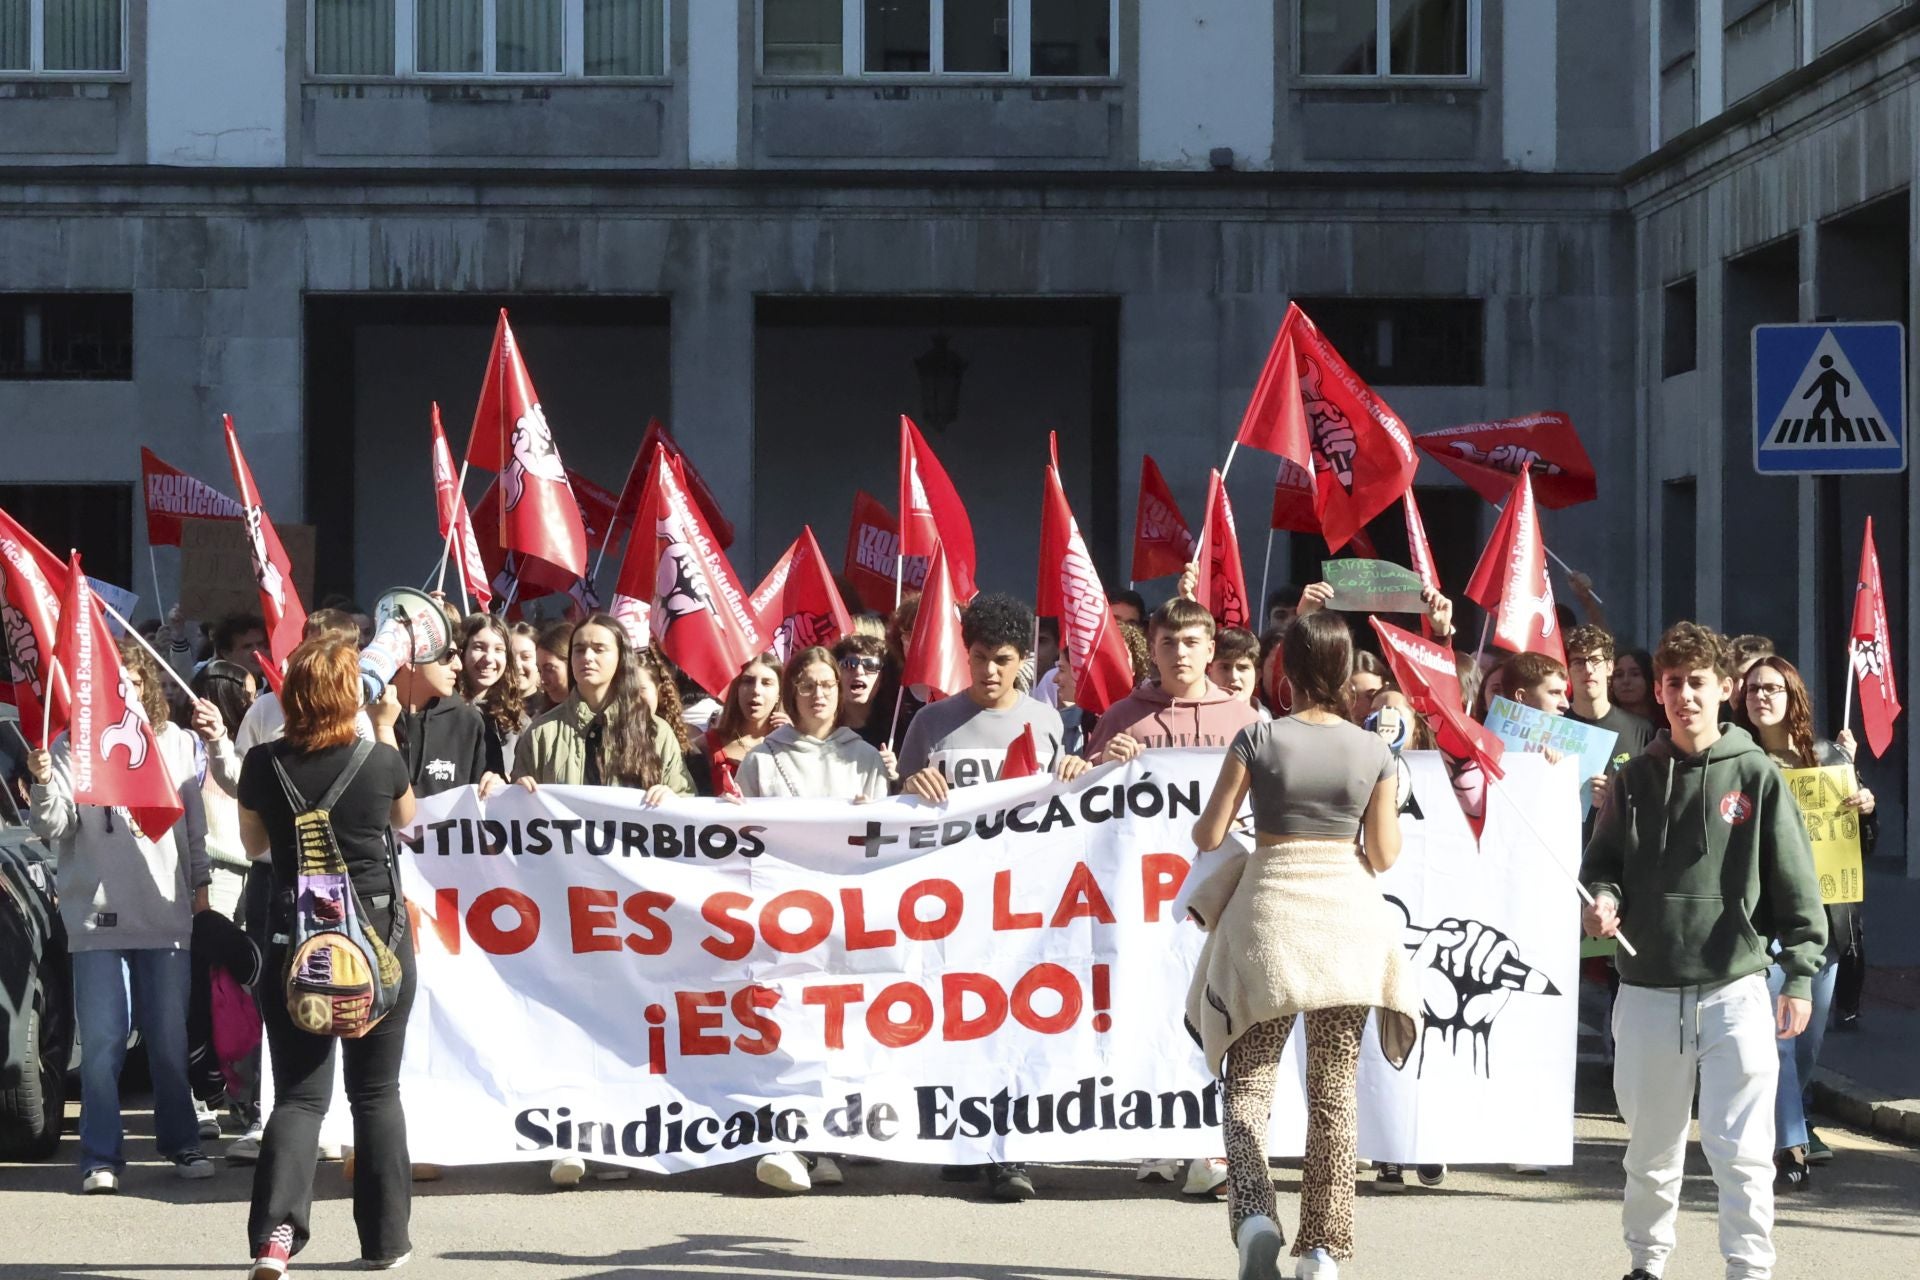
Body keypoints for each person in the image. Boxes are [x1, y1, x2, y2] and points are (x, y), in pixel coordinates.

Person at [1580, 622, 1825, 1280]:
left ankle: (1748, 1270)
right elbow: (1601, 865)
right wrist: (1602, 899)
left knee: (1742, 1150)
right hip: (1648, 991)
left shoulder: (1756, 774)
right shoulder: (1632, 782)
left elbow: (1797, 886)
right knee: (1651, 1150)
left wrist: (1799, 977)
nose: (1684, 694)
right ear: (1658, 694)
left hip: (1734, 991)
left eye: (1696, 682)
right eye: (1671, 683)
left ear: (1724, 689)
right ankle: (1646, 1265)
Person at [1186, 610, 1419, 1280]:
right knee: (1335, 1092)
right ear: (1346, 674)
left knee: (1249, 1082)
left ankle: (1256, 1214)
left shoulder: (1257, 739)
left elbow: (1208, 837)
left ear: (1281, 671)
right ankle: (1323, 1248)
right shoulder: (1372, 751)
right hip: (1347, 922)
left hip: (1267, 916)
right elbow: (1382, 853)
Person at [896, 594, 1091, 1201]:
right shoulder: (930, 722)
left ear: (1023, 660)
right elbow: (894, 808)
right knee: (958, 1020)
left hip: (1027, 904)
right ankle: (962, 1139)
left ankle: (1013, 1153)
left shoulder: (1048, 722)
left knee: (1022, 1024)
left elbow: (1075, 807)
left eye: (1001, 660)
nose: (988, 672)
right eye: (977, 657)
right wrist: (910, 782)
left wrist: (1079, 773)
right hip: (952, 904)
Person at [237, 640, 417, 1275]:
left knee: (298, 1098)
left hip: (295, 944)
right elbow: (407, 818)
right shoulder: (378, 762)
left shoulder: (261, 764)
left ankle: (274, 1240)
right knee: (375, 1093)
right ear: (353, 695)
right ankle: (385, 1241)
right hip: (380, 948)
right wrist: (389, 727)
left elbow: (253, 843)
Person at [1086, 596, 1263, 1199]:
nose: (1180, 654)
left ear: (1212, 649)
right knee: (1154, 1007)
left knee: (1220, 1013)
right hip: (1145, 903)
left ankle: (1214, 1141)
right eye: (1169, 643)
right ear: (1153, 648)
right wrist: (1101, 765)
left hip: (1224, 896)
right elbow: (1076, 805)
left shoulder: (1246, 719)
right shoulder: (1122, 717)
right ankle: (1159, 1136)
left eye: (1192, 643)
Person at [510, 613, 694, 1188]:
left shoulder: (654, 733)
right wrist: (513, 793)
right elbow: (511, 821)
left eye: (600, 649)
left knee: (629, 1019)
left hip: (636, 908)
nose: (587, 658)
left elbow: (690, 816)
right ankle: (571, 1134)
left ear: (621, 659)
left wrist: (672, 796)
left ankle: (625, 1132)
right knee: (571, 1016)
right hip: (565, 901)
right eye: (580, 650)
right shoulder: (539, 735)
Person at [27, 637, 214, 1194]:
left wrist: (199, 890)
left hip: (165, 914)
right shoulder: (70, 746)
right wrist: (41, 783)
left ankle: (181, 1143)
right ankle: (99, 1157)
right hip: (97, 919)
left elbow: (193, 830)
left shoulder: (175, 743)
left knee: (168, 1040)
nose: (123, 690)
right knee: (105, 1044)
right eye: (113, 683)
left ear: (147, 685)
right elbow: (53, 827)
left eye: (132, 680)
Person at [736, 646, 892, 1194]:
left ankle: (833, 1141)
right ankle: (792, 1137)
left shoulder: (865, 759)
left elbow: (883, 842)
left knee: (840, 1026)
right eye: (808, 685)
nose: (820, 693)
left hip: (846, 916)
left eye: (829, 684)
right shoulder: (761, 759)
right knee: (789, 1024)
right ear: (792, 693)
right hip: (782, 915)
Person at [1733, 654, 1874, 1190]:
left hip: (1827, 922)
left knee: (1807, 1041)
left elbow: (1861, 847)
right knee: (1779, 1036)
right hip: (1766, 923)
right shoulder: (1738, 760)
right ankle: (1788, 1143)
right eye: (1752, 690)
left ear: (1793, 697)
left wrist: (1865, 807)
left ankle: (1785, 1114)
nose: (1761, 697)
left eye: (1772, 688)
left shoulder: (1827, 757)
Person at [692, 653, 787, 796]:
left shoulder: (790, 742)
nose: (756, 690)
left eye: (767, 683)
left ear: (779, 693)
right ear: (736, 689)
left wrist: (794, 738)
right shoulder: (705, 746)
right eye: (748, 681)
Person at [1565, 624, 1655, 768]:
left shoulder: (1642, 731)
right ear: (1567, 669)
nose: (1588, 670)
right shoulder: (1554, 725)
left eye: (1595, 660)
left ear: (1609, 667)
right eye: (1579, 662)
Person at [455, 614, 528, 777]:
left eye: (498, 650)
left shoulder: (518, 722)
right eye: (479, 647)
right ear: (462, 652)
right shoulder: (441, 710)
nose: (489, 658)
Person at [635, 646, 696, 757]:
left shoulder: (684, 753)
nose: (632, 698)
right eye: (624, 690)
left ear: (658, 690)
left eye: (641, 689)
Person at [832, 633, 888, 742]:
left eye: (871, 665)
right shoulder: (821, 727)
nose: (859, 672)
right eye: (849, 663)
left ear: (883, 677)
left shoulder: (897, 731)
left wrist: (900, 759)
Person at [1209, 627, 1266, 715]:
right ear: (1209, 672)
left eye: (1243, 668)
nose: (1234, 676)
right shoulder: (1194, 723)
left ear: (1257, 676)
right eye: (1225, 667)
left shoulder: (1273, 725)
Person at [1609, 648, 1662, 729]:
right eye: (1619, 675)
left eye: (1635, 674)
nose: (1626, 681)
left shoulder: (1668, 723)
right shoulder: (1604, 724)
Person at [530, 619, 574, 718]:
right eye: (540, 670)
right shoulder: (540, 724)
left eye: (550, 669)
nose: (543, 681)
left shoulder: (608, 715)